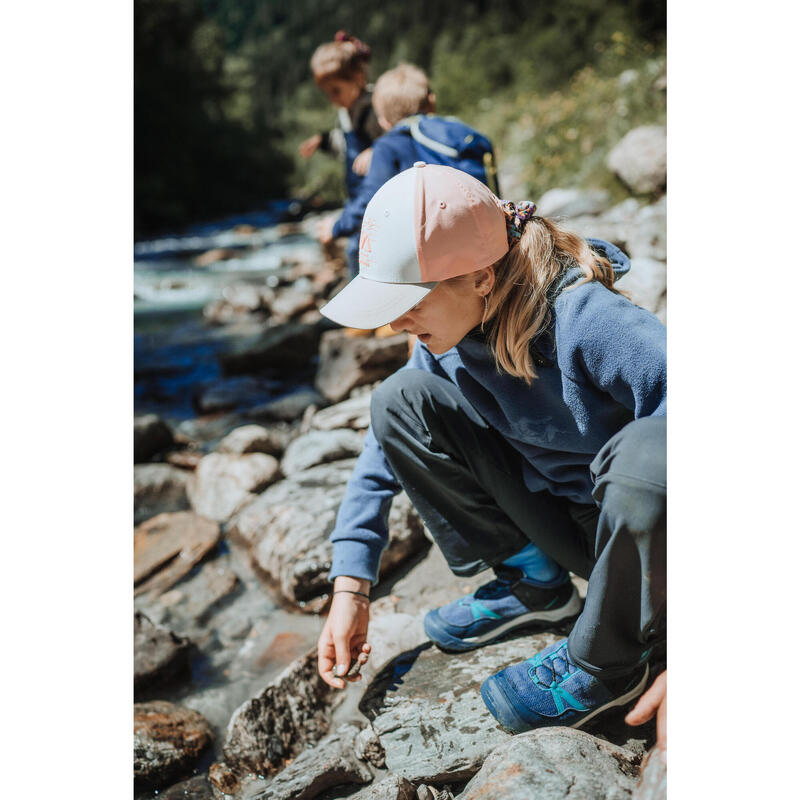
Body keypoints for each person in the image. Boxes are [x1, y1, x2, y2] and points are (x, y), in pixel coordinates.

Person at [316, 163, 666, 737]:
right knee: (398, 400)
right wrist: (350, 586)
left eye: (410, 301)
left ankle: (610, 662)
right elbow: (382, 448)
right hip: (574, 528)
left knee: (652, 449)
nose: (395, 323)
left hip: (649, 549)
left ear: (481, 277)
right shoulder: (446, 336)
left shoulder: (588, 319)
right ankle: (535, 585)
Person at [319, 64, 500, 262]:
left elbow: (369, 204)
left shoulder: (386, 146)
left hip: (433, 255)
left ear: (383, 122)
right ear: (432, 102)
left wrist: (336, 227)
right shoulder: (458, 129)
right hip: (487, 239)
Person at [299, 31, 383, 277]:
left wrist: (377, 150)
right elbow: (348, 146)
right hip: (358, 199)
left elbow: (396, 139)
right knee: (352, 251)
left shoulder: (375, 106)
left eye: (336, 91)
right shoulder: (348, 111)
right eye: (328, 94)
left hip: (374, 198)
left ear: (357, 78)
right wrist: (323, 140)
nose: (333, 99)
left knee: (359, 253)